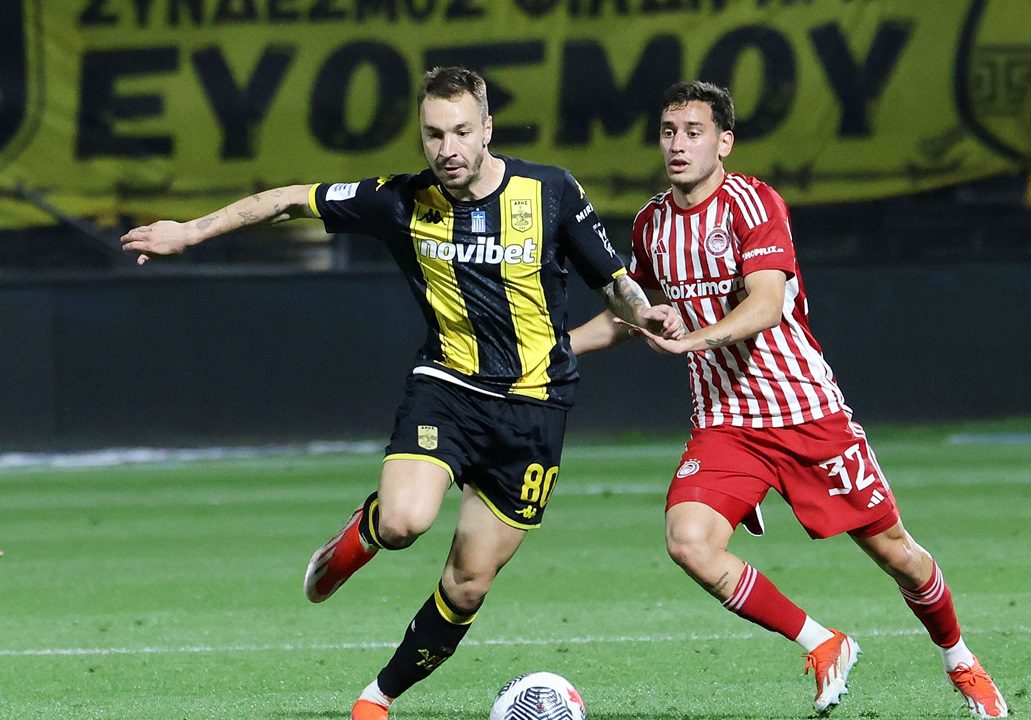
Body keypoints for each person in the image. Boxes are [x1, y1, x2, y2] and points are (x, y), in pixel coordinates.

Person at [121, 66, 682, 720]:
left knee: (467, 585)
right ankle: (359, 536)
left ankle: (377, 697)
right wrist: (190, 232)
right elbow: (289, 199)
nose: (448, 148)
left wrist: (644, 313)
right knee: (403, 522)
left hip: (536, 410)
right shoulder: (399, 199)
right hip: (447, 388)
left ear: (488, 129)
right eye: (434, 134)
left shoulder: (551, 191)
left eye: (461, 132)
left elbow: (614, 281)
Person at [568, 81, 1009, 718]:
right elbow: (632, 312)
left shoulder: (753, 203)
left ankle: (959, 658)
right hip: (725, 422)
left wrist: (693, 340)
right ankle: (823, 642)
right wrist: (555, 349)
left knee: (899, 556)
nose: (678, 145)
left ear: (724, 142)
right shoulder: (650, 223)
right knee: (689, 541)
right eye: (668, 132)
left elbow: (767, 303)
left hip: (803, 411)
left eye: (694, 132)